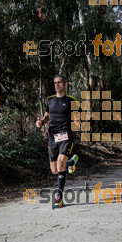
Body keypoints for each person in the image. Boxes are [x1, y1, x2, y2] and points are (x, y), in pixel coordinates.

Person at [36, 74, 79, 208]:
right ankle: (72, 160)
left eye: (59, 82)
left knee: (61, 164)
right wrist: (41, 122)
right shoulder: (50, 100)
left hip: (66, 135)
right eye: (55, 83)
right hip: (52, 137)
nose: (57, 85)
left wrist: (77, 121)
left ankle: (59, 197)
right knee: (54, 170)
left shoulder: (72, 100)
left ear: (65, 84)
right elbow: (47, 116)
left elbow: (78, 117)